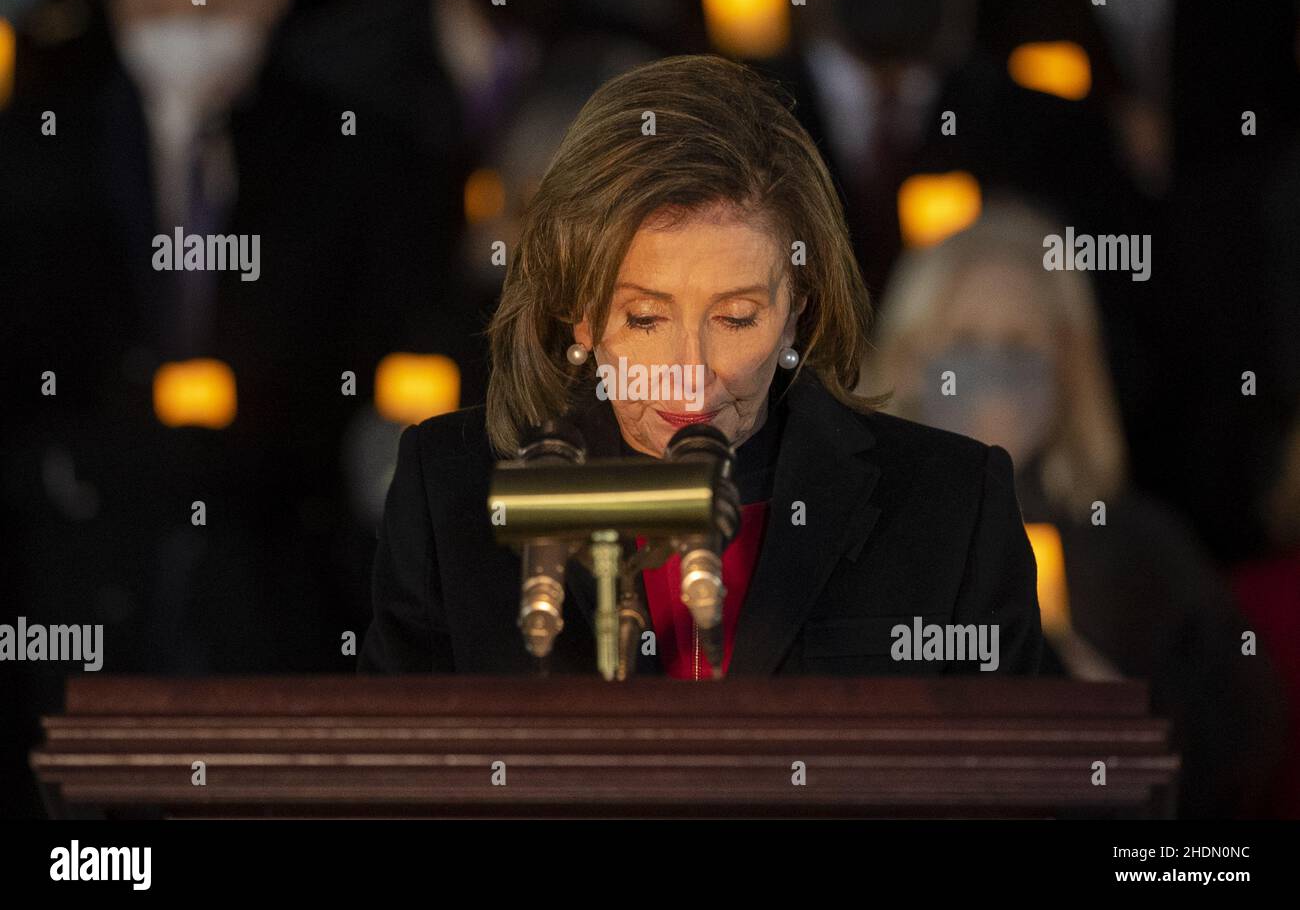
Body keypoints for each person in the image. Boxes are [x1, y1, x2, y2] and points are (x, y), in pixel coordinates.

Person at [358, 54, 1042, 679]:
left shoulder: (952, 506)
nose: (691, 371)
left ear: (797, 308)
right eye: (647, 319)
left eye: (736, 319)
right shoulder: (448, 491)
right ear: (581, 314)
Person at [863, 200, 1288, 816]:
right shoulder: (855, 533)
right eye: (964, 342)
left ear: (1069, 370)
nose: (991, 372)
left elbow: (1237, 746)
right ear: (908, 358)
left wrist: (1087, 688)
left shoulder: (1143, 551)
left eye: (1018, 346)